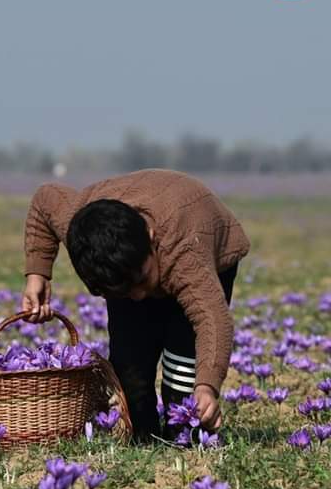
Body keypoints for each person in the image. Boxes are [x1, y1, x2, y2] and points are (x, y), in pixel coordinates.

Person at [21, 168, 250, 442]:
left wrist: (206, 386)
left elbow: (212, 320)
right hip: (134, 263)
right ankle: (144, 438)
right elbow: (45, 200)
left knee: (183, 369)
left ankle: (185, 438)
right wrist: (38, 274)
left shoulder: (185, 253)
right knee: (129, 369)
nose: (140, 295)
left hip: (201, 244)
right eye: (124, 291)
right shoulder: (80, 224)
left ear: (150, 236)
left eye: (142, 280)